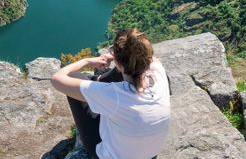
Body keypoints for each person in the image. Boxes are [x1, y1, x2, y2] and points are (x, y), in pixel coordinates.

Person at [51, 28, 171, 159]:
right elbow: (142, 56)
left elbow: (57, 79)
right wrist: (117, 56)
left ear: (118, 62)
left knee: (73, 82)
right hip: (150, 154)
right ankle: (99, 80)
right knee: (129, 72)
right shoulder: (158, 72)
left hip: (111, 155)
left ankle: (97, 82)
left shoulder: (114, 95)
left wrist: (86, 61)